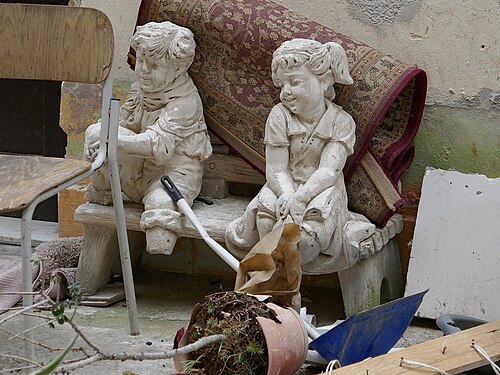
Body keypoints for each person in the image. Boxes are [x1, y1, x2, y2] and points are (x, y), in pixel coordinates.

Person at [225, 38, 374, 274]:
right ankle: (275, 287)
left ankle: (283, 288)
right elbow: (276, 169)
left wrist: (301, 198)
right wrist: (286, 194)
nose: (286, 93)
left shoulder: (340, 121)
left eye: (295, 82)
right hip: (283, 184)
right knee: (266, 221)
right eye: (282, 85)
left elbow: (329, 170)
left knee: (304, 240)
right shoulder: (279, 116)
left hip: (320, 189)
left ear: (324, 81)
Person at [84, 22, 212, 255]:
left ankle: (161, 261)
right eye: (141, 60)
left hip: (172, 174)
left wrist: (112, 139)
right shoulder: (139, 89)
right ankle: (103, 192)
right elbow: (120, 123)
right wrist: (98, 136)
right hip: (137, 169)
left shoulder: (186, 102)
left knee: (159, 203)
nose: (143, 69)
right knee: (96, 133)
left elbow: (155, 144)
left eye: (154, 65)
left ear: (178, 69)